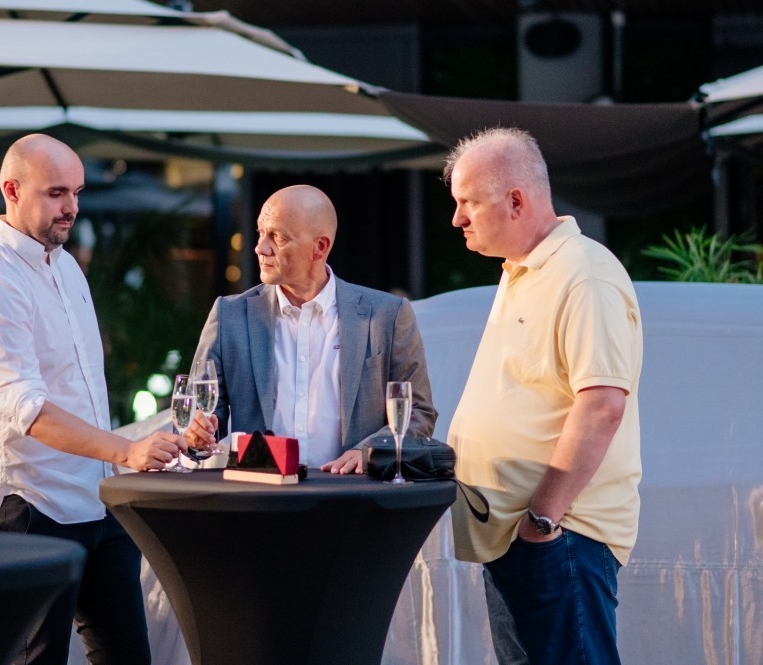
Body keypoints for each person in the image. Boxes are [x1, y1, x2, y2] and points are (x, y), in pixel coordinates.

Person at [0, 133, 183, 665]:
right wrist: (127, 451)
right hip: (31, 506)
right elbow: (27, 409)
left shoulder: (68, 267)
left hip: (96, 501)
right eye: (56, 193)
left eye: (76, 192)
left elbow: (82, 391)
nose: (72, 207)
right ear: (11, 190)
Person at [443, 127, 643, 665]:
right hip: (524, 535)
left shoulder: (584, 274)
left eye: (468, 203)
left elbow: (601, 406)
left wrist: (542, 522)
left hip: (559, 536)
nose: (457, 219)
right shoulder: (525, 270)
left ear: (515, 201)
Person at [185, 184, 436, 472]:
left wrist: (370, 452)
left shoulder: (388, 315)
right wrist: (198, 433)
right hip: (260, 489)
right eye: (261, 233)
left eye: (278, 237)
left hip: (352, 492)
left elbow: (418, 412)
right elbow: (199, 415)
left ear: (320, 247)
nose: (260, 247)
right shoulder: (230, 315)